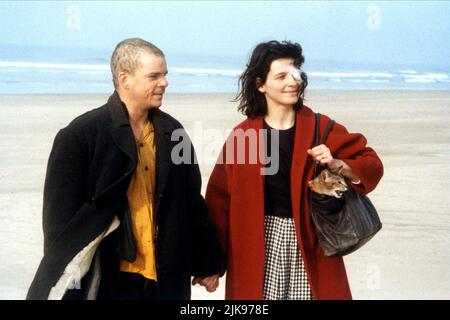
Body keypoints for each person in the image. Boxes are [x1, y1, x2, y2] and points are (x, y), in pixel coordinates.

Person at [26, 38, 221, 300]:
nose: (164, 83)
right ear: (124, 78)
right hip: (111, 281)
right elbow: (59, 225)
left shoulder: (174, 133)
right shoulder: (79, 136)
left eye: (164, 75)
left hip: (166, 277)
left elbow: (191, 203)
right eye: (154, 76)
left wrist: (208, 261)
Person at [204, 40, 384, 300]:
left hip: (310, 244)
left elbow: (372, 163)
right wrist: (212, 264)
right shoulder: (242, 136)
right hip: (256, 244)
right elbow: (219, 203)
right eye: (281, 76)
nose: (293, 81)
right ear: (260, 84)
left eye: (296, 73)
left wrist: (338, 164)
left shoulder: (321, 127)